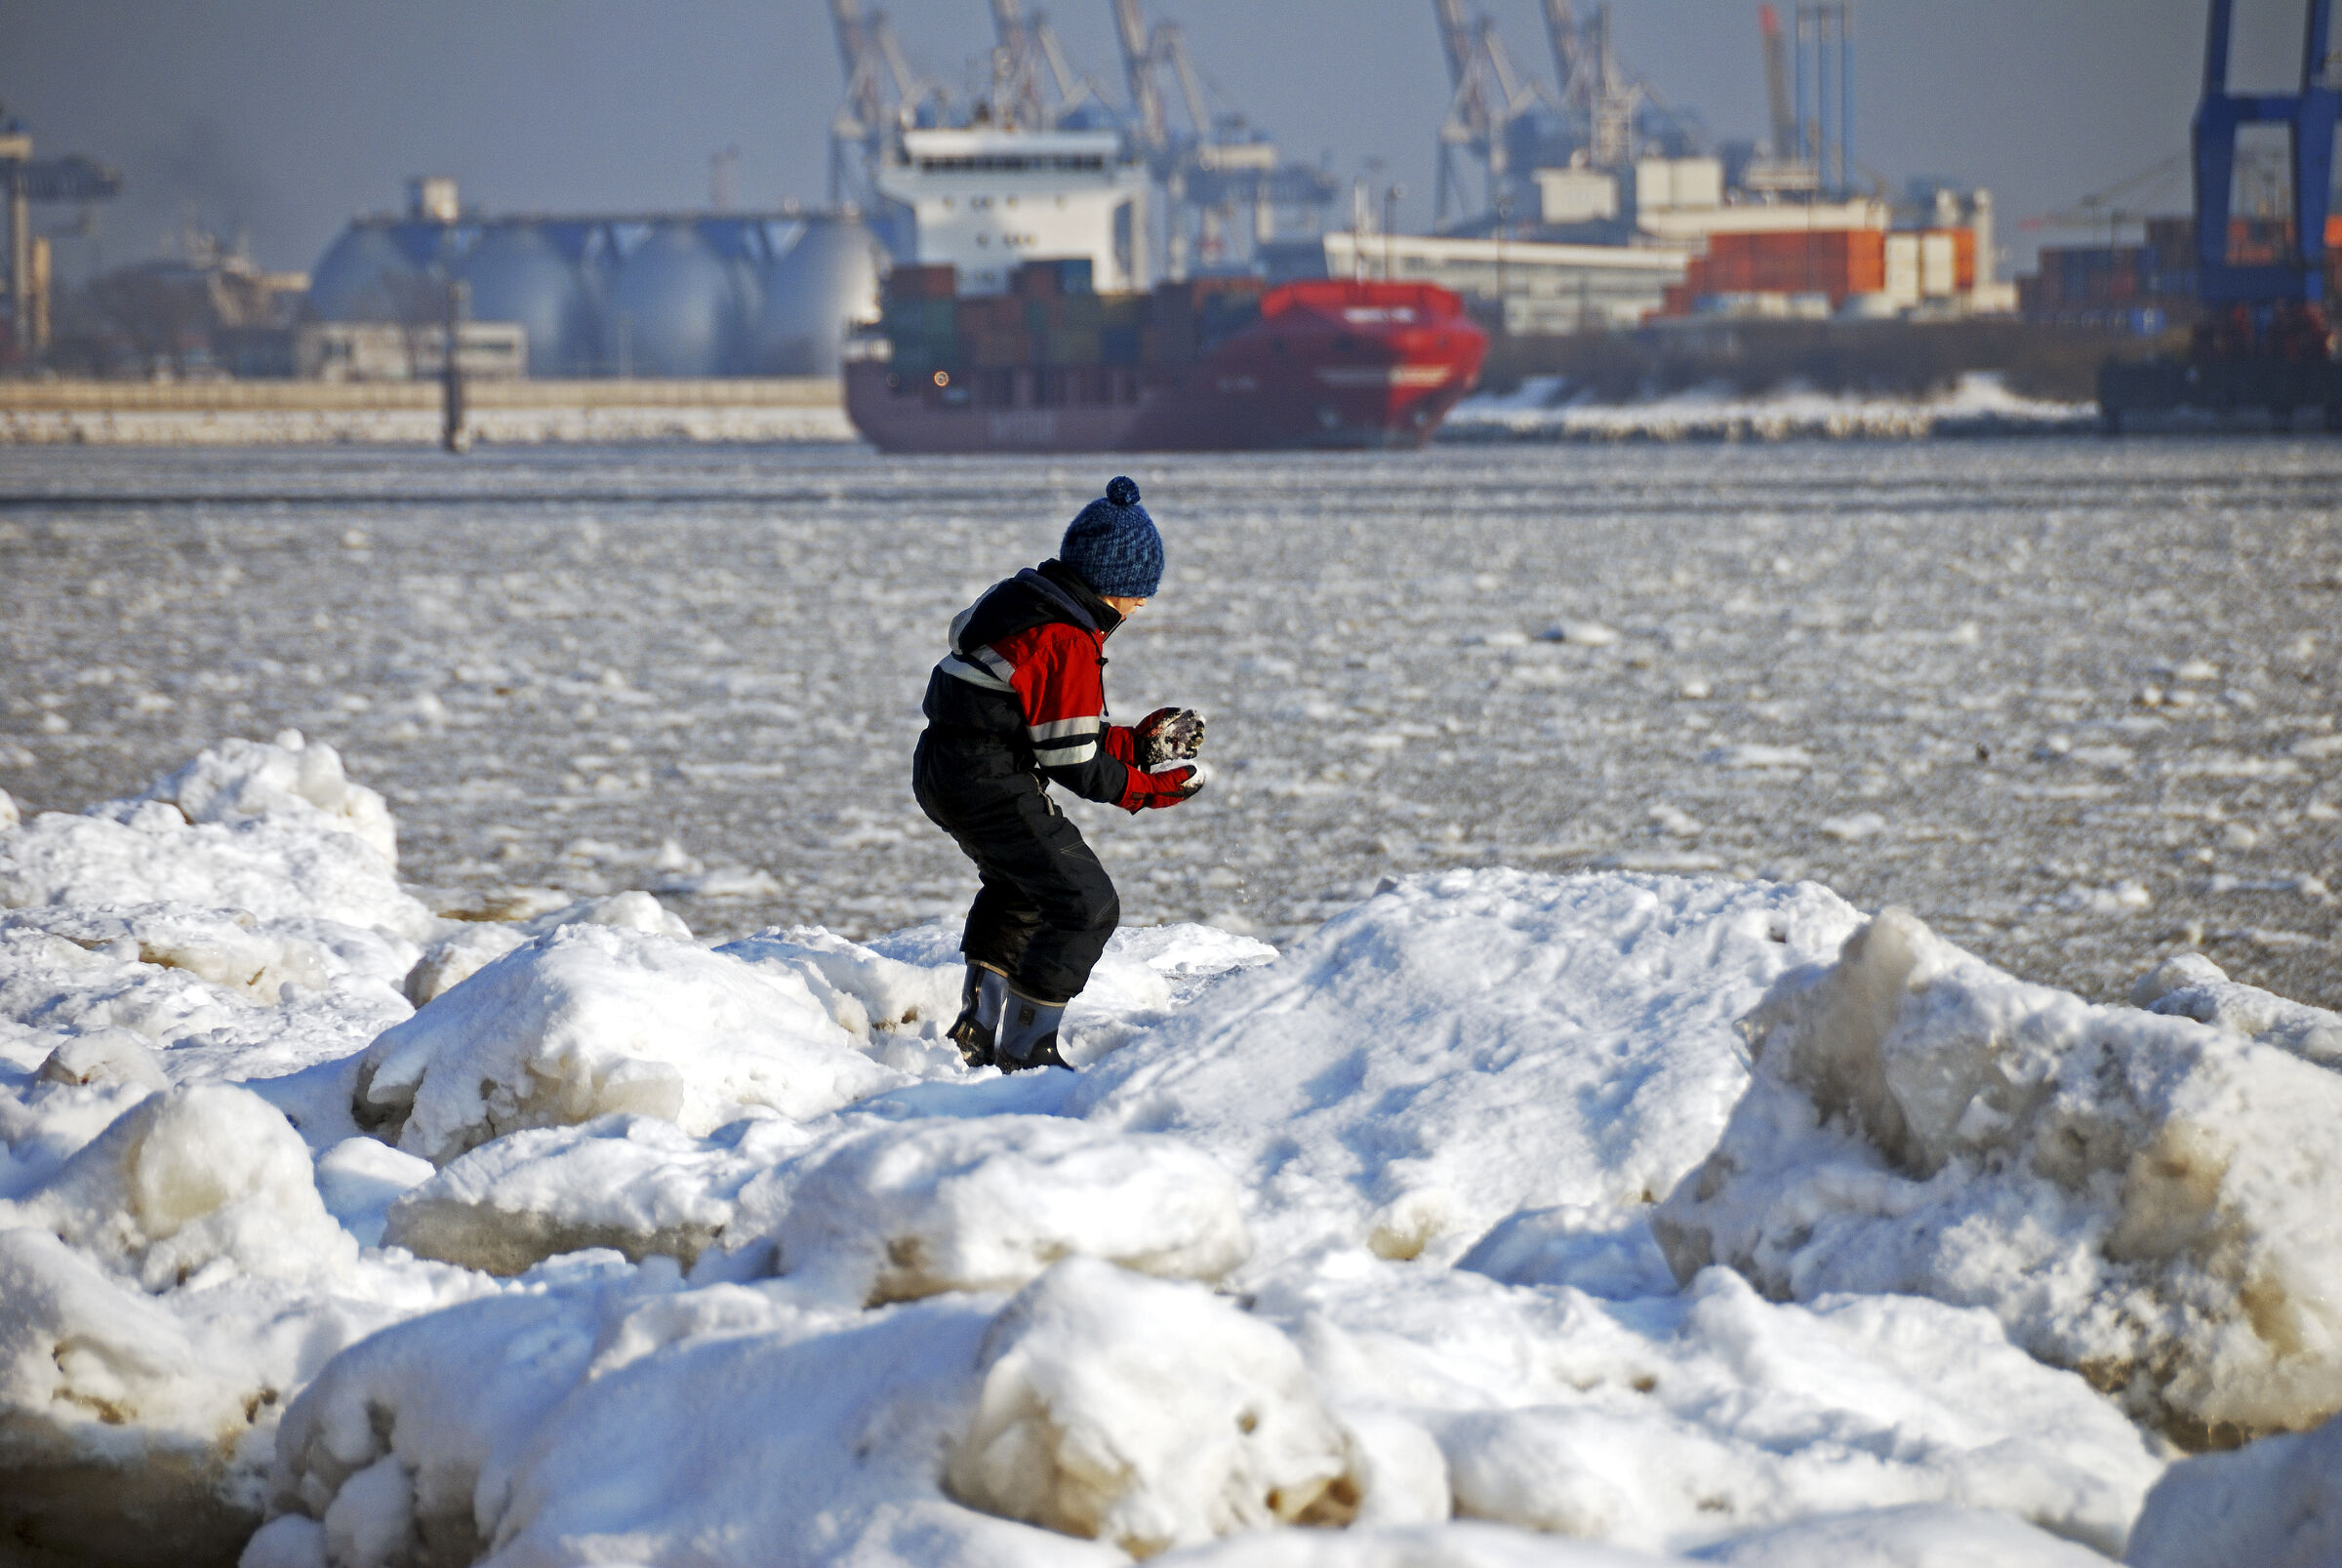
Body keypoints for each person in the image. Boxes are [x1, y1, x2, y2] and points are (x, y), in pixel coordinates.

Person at [912, 476, 1207, 1071]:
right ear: (1109, 582)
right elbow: (1069, 759)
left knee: (1021, 887)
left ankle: (976, 1027)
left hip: (950, 767)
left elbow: (1049, 727)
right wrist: (1144, 789)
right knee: (1085, 904)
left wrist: (1135, 746)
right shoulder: (1064, 638)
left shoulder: (1026, 605)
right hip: (987, 779)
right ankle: (1027, 1049)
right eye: (1137, 591)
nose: (1142, 603)